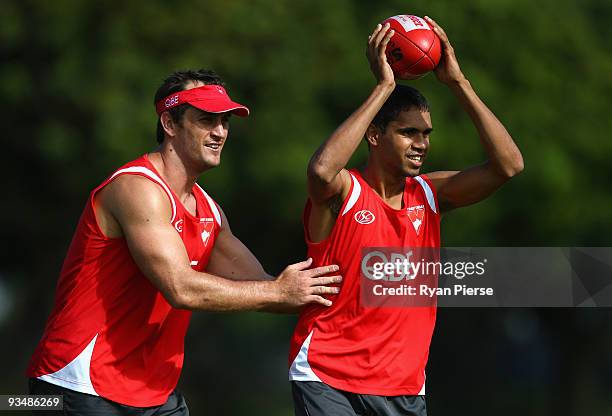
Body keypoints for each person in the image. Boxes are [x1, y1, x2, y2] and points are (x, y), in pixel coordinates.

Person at [26, 69, 342, 415]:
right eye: (207, 120)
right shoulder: (137, 188)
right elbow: (180, 288)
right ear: (170, 124)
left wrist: (347, 288)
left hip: (153, 393)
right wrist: (280, 292)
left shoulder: (210, 210)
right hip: (77, 384)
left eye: (225, 122)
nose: (220, 132)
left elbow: (265, 287)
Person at [289, 17, 524, 416]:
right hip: (327, 376)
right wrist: (384, 88)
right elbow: (321, 171)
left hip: (404, 387)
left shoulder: (430, 195)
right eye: (408, 133)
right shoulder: (344, 193)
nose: (421, 144)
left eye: (426, 134)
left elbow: (508, 166)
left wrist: (458, 82)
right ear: (375, 135)